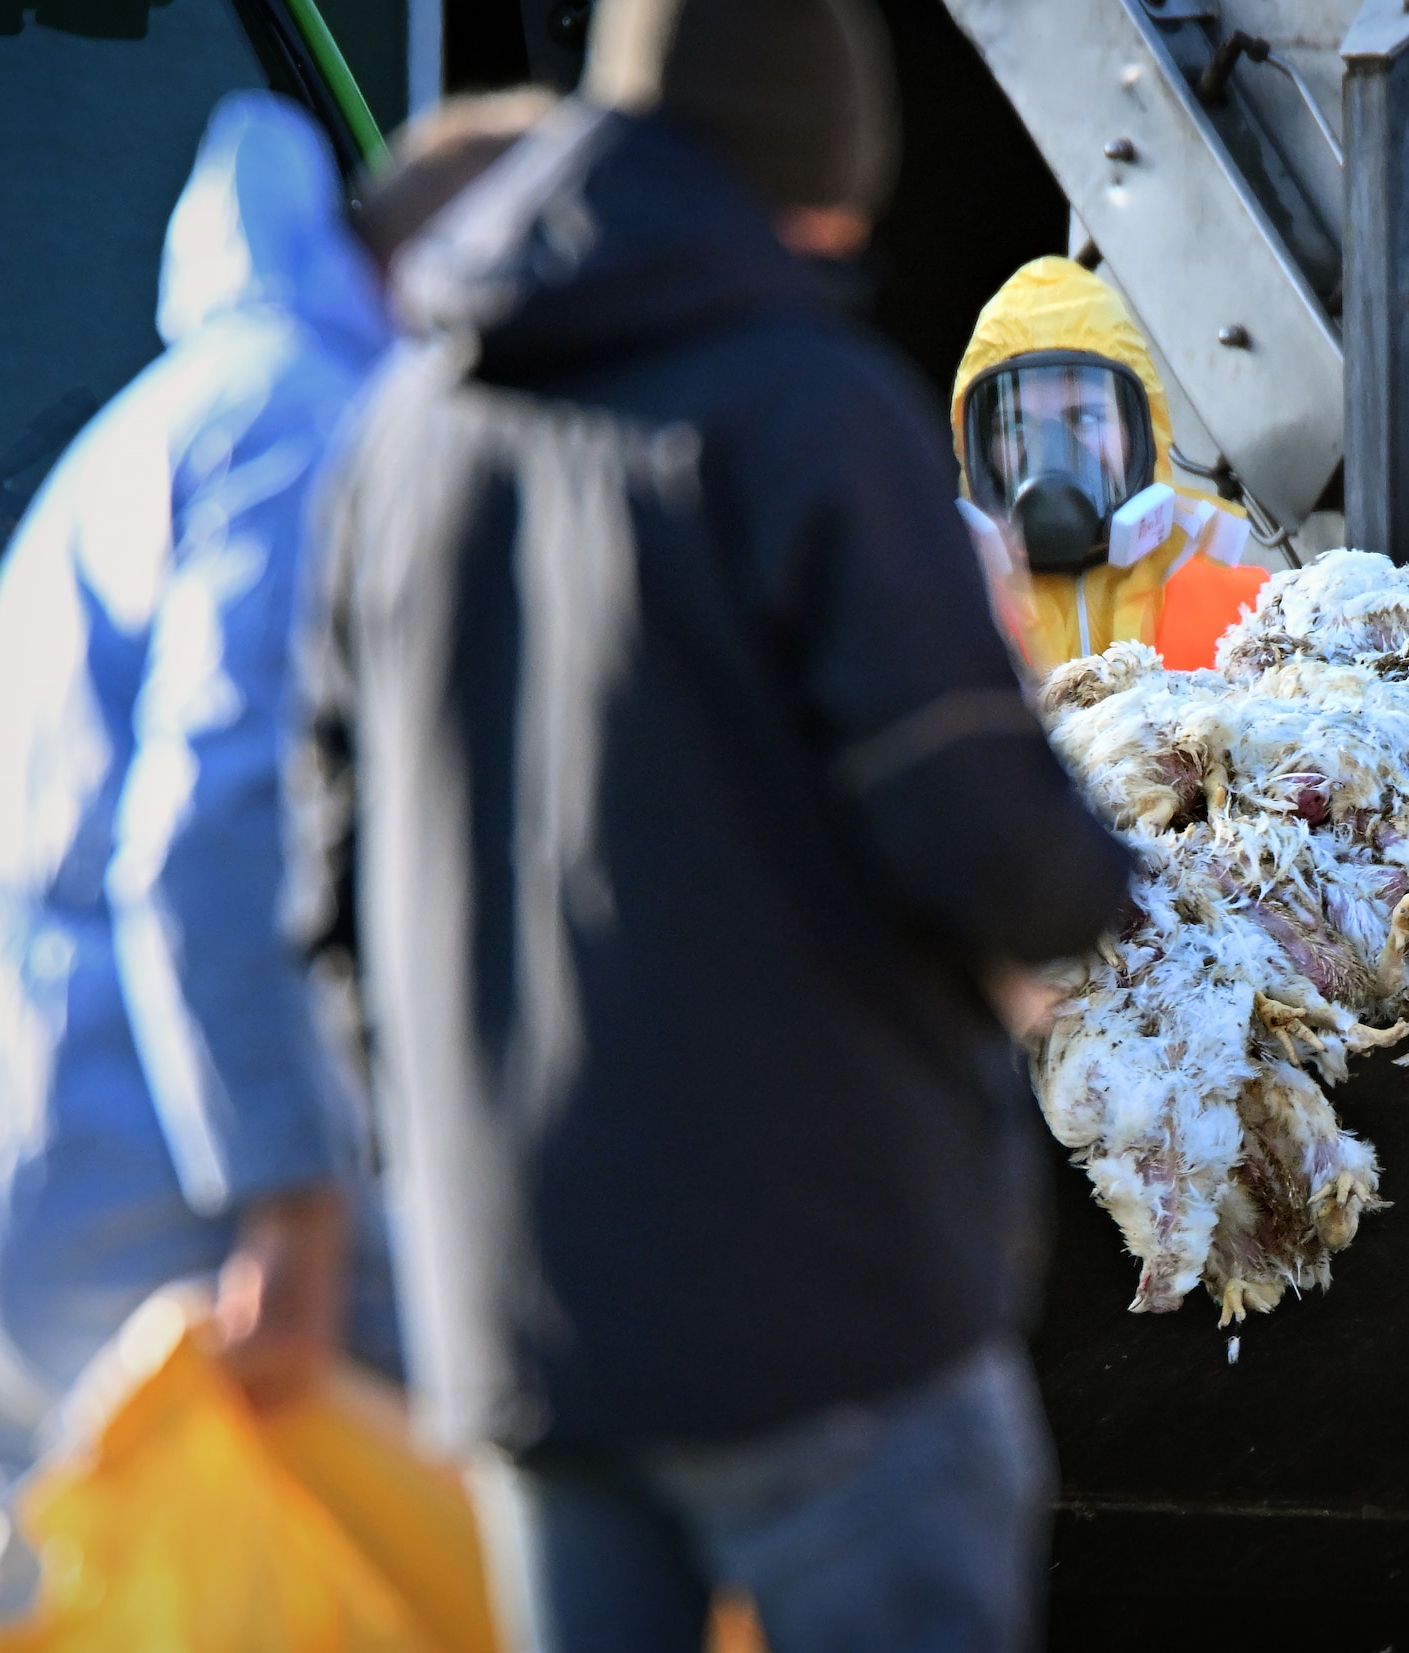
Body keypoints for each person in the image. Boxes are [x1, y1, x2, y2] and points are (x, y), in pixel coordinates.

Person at [283, 1, 1135, 1648]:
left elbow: (323, 889)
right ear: (811, 175)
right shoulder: (811, 410)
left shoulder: (398, 441)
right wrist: (1094, 888)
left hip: (526, 1320)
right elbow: (993, 847)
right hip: (822, 1301)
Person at [0, 93, 395, 1628]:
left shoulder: (168, 417)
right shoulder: (310, 419)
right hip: (126, 1176)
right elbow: (213, 831)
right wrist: (293, 1194)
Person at [952, 256, 1268, 675]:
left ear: (1141, 432)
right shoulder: (937, 618)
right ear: (977, 449)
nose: (1050, 452)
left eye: (1084, 417)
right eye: (1015, 425)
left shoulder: (1251, 617)